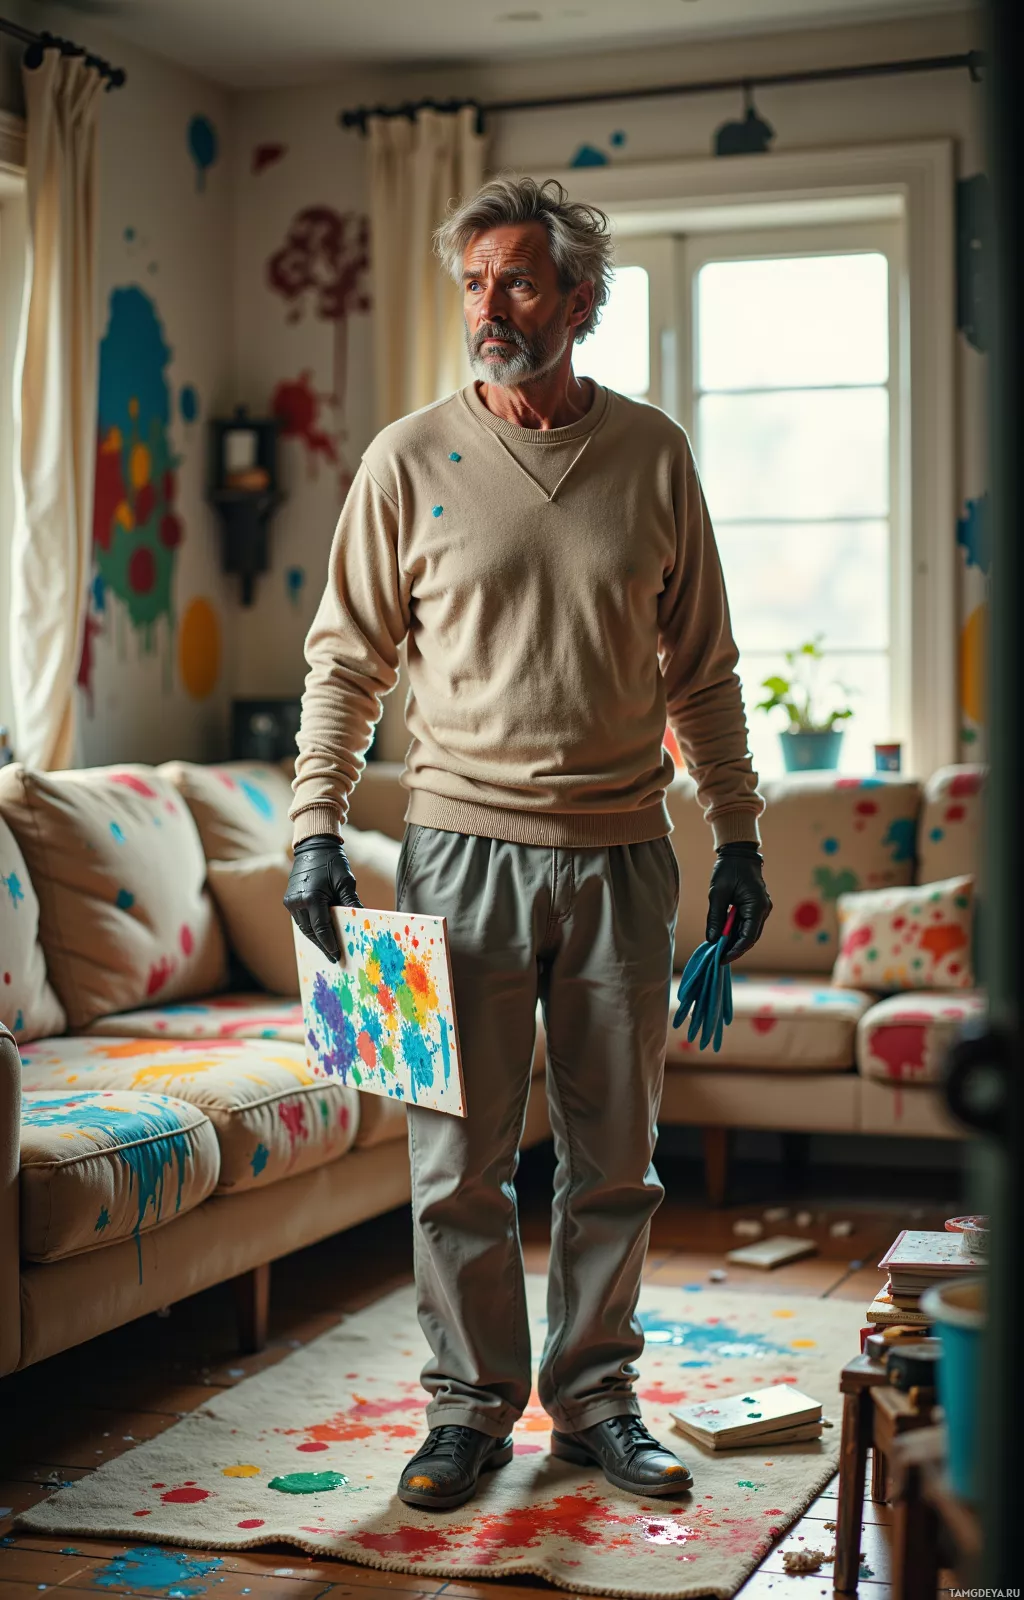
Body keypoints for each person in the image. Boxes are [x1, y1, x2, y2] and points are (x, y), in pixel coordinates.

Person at [284, 175, 772, 1512]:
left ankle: (597, 1402)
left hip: (622, 855)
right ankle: (467, 1411)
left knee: (616, 1161)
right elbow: (344, 665)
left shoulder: (655, 455)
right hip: (453, 858)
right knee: (454, 1162)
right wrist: (315, 828)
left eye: (516, 283)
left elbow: (706, 673)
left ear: (579, 302)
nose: (488, 310)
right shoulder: (406, 459)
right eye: (473, 284)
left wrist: (740, 838)